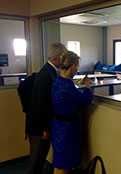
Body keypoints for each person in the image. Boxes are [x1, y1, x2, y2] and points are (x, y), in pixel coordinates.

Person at [27, 43, 67, 174]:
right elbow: (40, 104)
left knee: (39, 159)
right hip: (39, 128)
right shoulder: (46, 75)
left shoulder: (50, 72)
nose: (65, 60)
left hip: (41, 125)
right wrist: (44, 128)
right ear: (57, 57)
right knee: (36, 161)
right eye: (63, 57)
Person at [51, 51, 93, 174]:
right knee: (63, 165)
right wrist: (87, 87)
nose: (77, 70)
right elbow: (85, 100)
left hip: (58, 127)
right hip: (67, 130)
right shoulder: (67, 87)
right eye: (77, 66)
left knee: (60, 162)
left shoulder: (58, 81)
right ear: (73, 66)